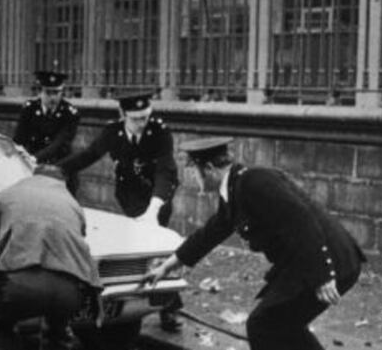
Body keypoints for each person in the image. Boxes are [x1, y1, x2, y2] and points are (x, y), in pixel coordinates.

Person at [142, 137, 366, 350]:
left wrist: (323, 275)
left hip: (329, 262)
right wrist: (167, 266)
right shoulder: (235, 189)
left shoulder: (253, 182)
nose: (192, 177)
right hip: (311, 262)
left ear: (208, 168)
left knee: (263, 325)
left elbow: (302, 220)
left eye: (193, 171)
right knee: (282, 325)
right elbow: (209, 234)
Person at [53, 91, 182, 331]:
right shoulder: (113, 132)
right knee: (141, 248)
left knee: (157, 249)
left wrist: (154, 210)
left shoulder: (160, 131)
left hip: (158, 196)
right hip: (130, 196)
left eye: (145, 117)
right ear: (123, 115)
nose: (142, 123)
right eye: (136, 119)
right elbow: (88, 155)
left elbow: (166, 170)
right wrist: (52, 170)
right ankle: (139, 300)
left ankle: (167, 306)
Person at [0, 169, 100, 350]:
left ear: (34, 175)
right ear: (61, 181)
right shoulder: (73, 204)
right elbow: (78, 238)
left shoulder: (8, 194)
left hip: (20, 287)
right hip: (70, 290)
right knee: (57, 328)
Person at [13, 71, 80, 195]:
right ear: (40, 92)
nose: (52, 97)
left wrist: (35, 158)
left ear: (62, 92)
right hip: (33, 167)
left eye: (56, 93)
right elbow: (19, 139)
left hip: (60, 166)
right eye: (48, 93)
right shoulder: (29, 109)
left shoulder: (70, 113)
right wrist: (21, 155)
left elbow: (60, 143)